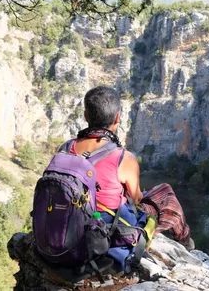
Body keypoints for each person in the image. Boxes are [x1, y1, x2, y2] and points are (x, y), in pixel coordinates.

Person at [68, 86, 194, 268]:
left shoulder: (66, 149)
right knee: (165, 193)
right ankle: (185, 243)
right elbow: (136, 201)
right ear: (118, 117)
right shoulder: (124, 158)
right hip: (106, 234)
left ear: (86, 116)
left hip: (70, 227)